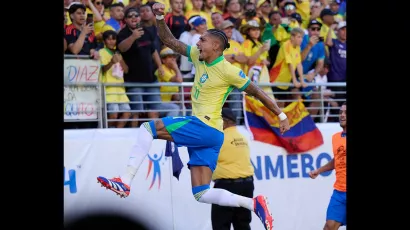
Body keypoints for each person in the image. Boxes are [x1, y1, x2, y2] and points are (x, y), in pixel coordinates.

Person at [97, 3, 291, 230]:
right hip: (212, 134)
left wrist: (281, 113)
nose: (197, 43)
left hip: (204, 126)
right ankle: (253, 203)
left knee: (148, 128)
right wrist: (160, 17)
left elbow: (256, 91)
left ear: (216, 46)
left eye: (202, 40)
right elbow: (169, 41)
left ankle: (125, 181)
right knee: (201, 193)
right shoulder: (199, 57)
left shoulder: (228, 70)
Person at [211, 108, 255, 230]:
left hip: (227, 187)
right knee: (243, 225)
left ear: (224, 122)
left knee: (221, 225)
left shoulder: (219, 138)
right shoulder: (243, 137)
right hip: (247, 186)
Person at [309, 102, 346, 230]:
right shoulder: (336, 138)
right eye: (341, 112)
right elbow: (337, 159)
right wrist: (319, 170)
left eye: (346, 113)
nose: (342, 115)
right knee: (329, 226)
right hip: (340, 191)